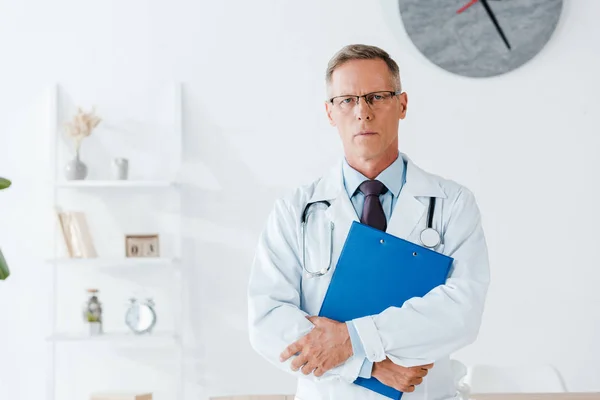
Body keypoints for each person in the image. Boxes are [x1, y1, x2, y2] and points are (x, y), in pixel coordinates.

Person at [247, 44, 490, 400]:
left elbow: (462, 310)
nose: (362, 112)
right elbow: (268, 321)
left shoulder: (452, 203)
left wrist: (353, 338)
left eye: (377, 96)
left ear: (402, 105)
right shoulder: (295, 210)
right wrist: (367, 367)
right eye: (346, 100)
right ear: (330, 112)